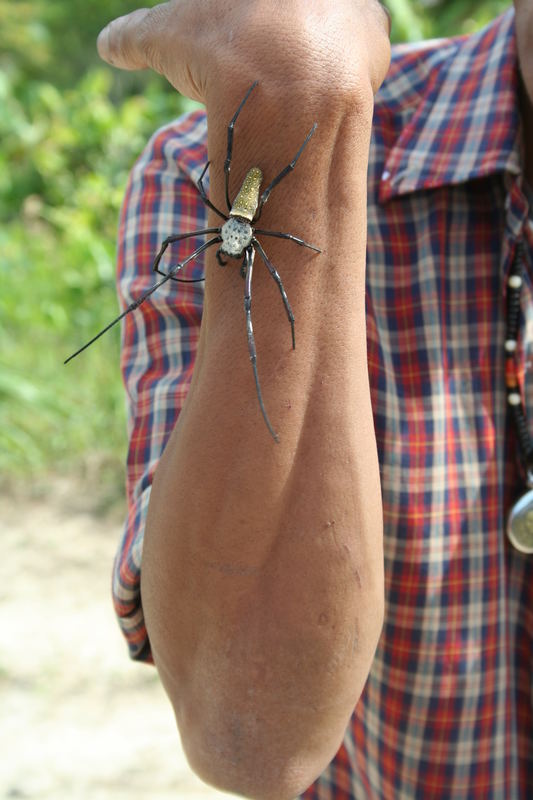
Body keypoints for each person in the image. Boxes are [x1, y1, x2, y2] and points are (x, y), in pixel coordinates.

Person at [98, 1, 533, 797]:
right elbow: (250, 742)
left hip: (250, 219)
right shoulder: (190, 170)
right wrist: (300, 99)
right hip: (252, 205)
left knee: (271, 296)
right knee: (267, 304)